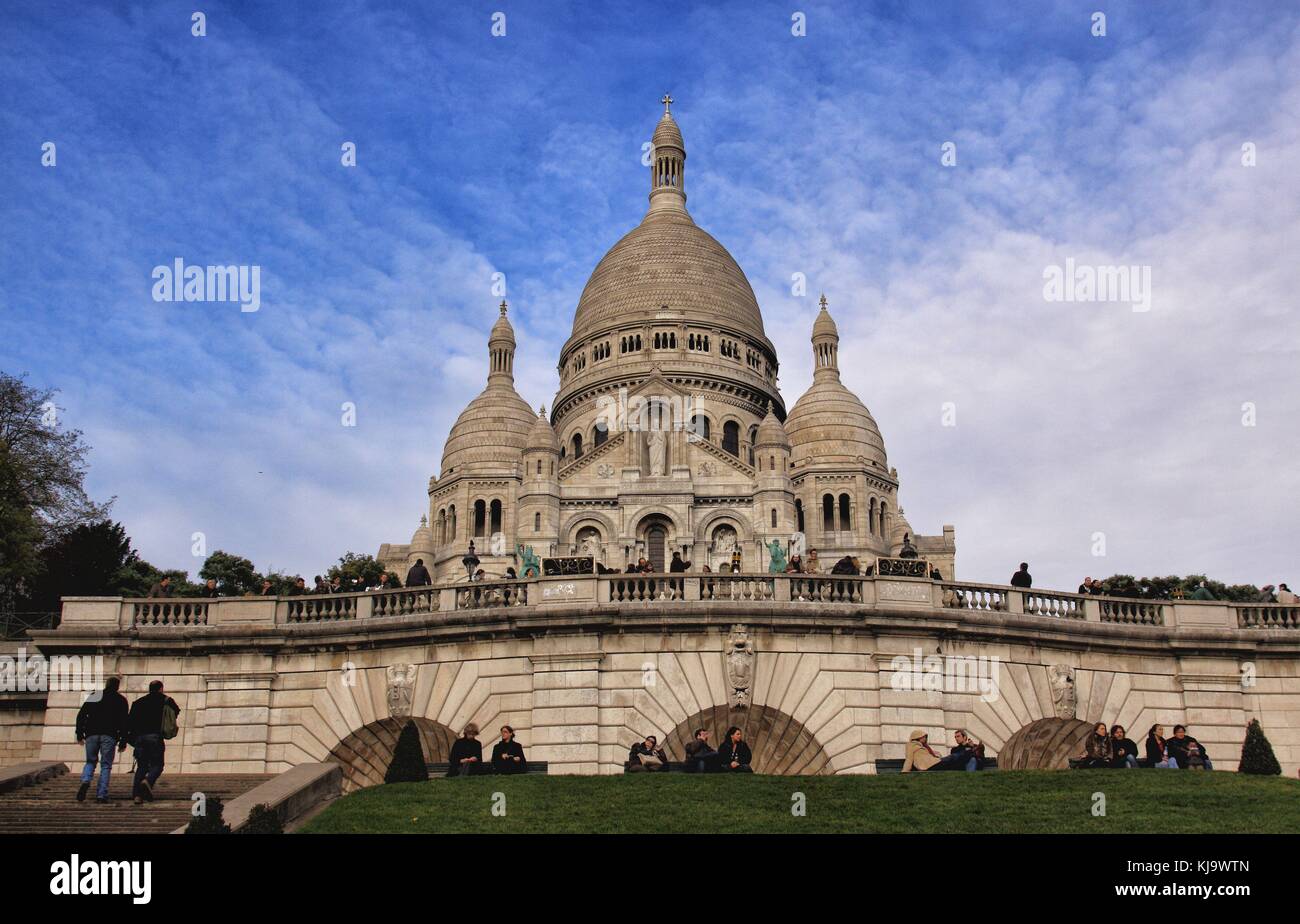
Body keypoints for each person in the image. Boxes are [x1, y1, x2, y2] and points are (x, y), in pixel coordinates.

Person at [74, 677, 129, 803]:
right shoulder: (121, 700)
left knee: (90, 762)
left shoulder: (95, 695)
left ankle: (86, 780)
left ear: (106, 684)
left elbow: (81, 715)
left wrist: (79, 733)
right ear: (117, 686)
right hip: (109, 735)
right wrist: (123, 741)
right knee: (106, 765)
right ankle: (101, 794)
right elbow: (124, 722)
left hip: (91, 734)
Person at [127, 680, 180, 803]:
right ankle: (148, 781)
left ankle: (137, 796)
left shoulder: (138, 702)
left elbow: (130, 722)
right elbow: (176, 711)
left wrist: (130, 739)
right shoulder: (166, 700)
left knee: (142, 767)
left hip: (140, 738)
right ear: (161, 689)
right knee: (158, 765)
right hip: (155, 737)